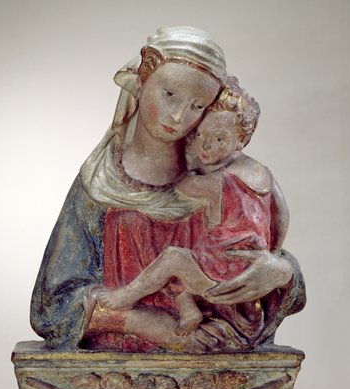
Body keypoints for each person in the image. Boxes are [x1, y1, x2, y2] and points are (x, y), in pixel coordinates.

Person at [30, 27, 305, 352]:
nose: (178, 116)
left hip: (214, 358)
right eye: (170, 94)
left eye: (197, 106)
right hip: (116, 367)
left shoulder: (224, 177)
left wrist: (283, 271)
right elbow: (51, 307)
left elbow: (263, 258)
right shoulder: (100, 185)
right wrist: (139, 322)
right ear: (143, 78)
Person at [91, 78, 290, 338]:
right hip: (246, 263)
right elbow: (282, 214)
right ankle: (188, 310)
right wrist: (272, 252)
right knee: (184, 267)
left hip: (225, 274)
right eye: (198, 135)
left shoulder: (217, 182)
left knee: (174, 259)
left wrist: (282, 269)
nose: (205, 146)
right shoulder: (262, 173)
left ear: (241, 140)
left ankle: (126, 296)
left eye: (219, 138)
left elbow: (183, 185)